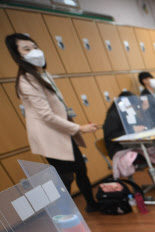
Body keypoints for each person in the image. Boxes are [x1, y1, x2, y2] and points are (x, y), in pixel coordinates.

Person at [5, 33, 99, 211]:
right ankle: (63, 213)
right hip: (51, 136)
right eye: (26, 49)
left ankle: (91, 205)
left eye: (34, 47)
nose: (33, 52)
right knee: (64, 177)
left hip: (63, 131)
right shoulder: (26, 81)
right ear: (18, 55)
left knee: (80, 169)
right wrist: (79, 128)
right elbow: (46, 115)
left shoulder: (43, 74)